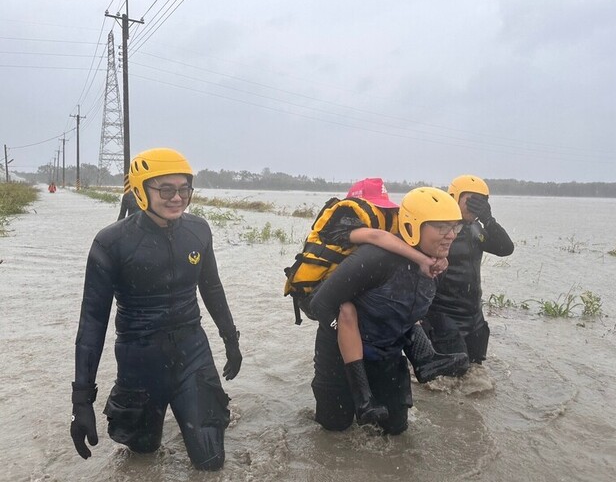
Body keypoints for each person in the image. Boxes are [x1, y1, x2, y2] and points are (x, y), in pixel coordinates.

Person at [70, 148, 242, 471]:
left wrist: (231, 340)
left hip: (192, 354)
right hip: (140, 362)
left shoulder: (199, 231)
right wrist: (81, 400)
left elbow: (213, 289)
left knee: (210, 462)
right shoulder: (111, 244)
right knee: (143, 458)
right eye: (166, 189)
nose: (177, 198)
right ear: (140, 189)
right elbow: (92, 323)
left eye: (184, 189)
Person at [284, 178, 456, 424]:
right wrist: (340, 328)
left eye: (453, 228)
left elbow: (412, 312)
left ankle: (425, 360)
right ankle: (359, 393)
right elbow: (321, 305)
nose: (450, 235)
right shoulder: (371, 251)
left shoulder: (434, 263)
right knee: (335, 430)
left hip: (386, 350)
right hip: (339, 346)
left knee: (394, 432)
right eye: (441, 227)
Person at [421, 175, 514, 374]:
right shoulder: (437, 229)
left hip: (474, 317)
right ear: (454, 197)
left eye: (481, 201)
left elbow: (505, 248)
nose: (475, 206)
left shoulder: (476, 228)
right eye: (470, 200)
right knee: (451, 378)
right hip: (443, 315)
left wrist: (488, 219)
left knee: (476, 373)